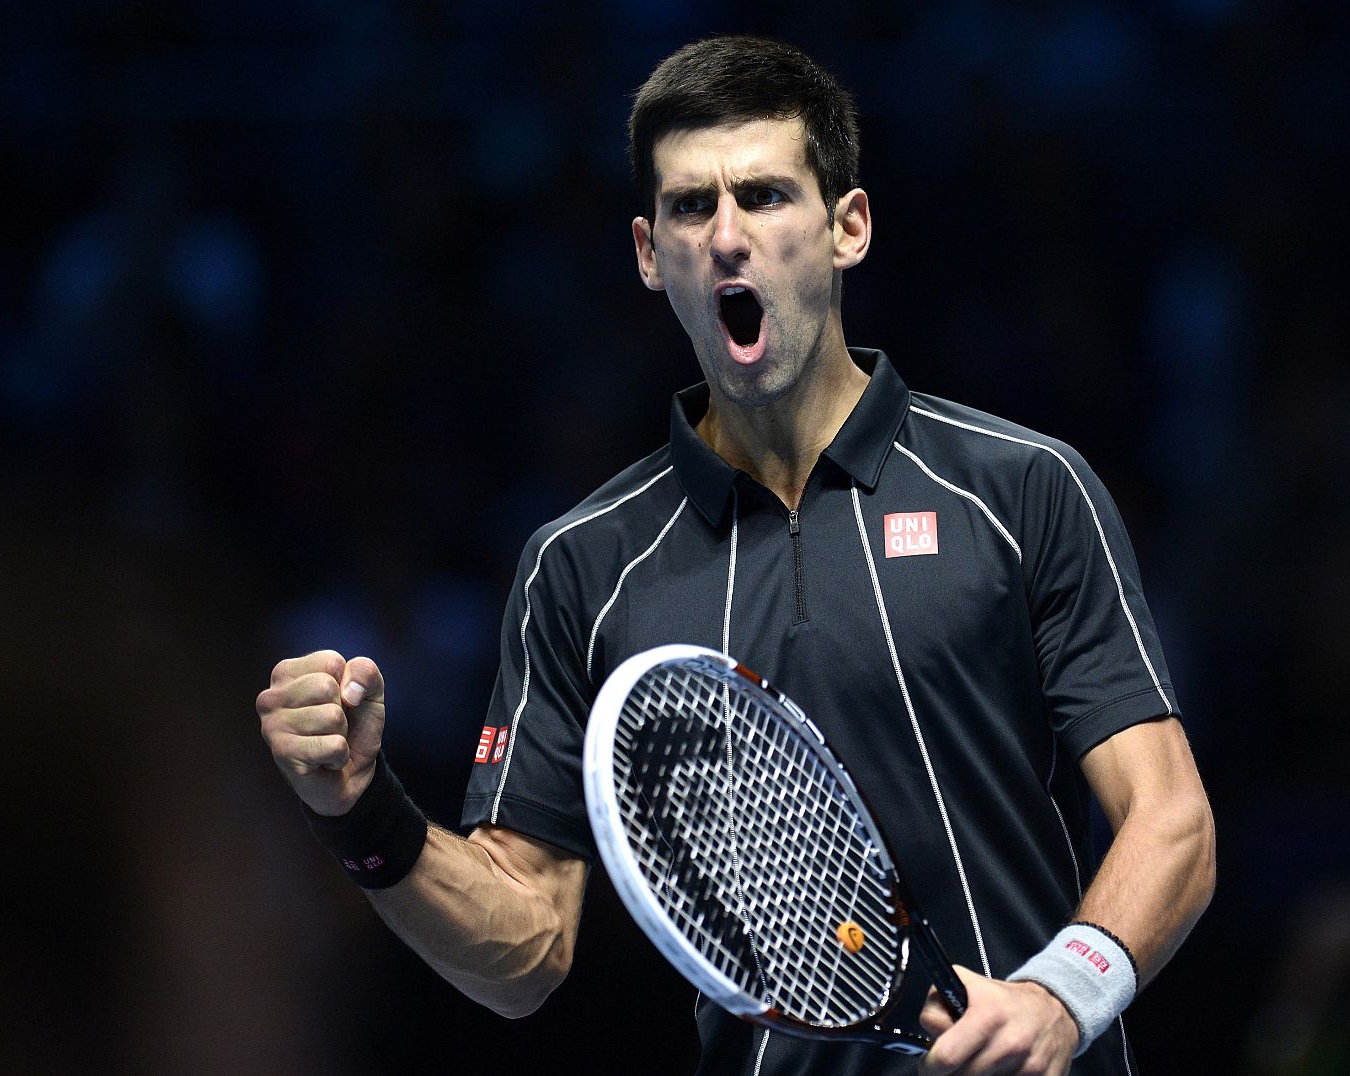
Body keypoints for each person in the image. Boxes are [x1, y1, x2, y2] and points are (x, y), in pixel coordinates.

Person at [257, 34, 1214, 1076]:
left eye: (762, 196)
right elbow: (524, 947)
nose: (724, 237)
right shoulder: (583, 563)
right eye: (687, 206)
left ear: (847, 226)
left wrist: (1058, 994)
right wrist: (363, 809)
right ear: (645, 251)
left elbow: (1170, 818)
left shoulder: (1020, 489)